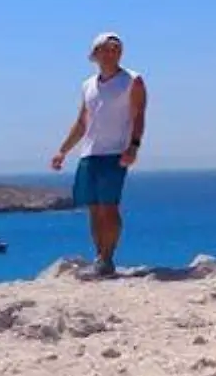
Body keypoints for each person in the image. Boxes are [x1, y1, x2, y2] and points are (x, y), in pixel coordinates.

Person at [50, 32, 147, 277]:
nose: (112, 52)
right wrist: (63, 150)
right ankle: (100, 257)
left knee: (109, 207)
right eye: (106, 48)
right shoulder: (88, 85)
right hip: (90, 154)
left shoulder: (133, 81)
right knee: (93, 208)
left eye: (117, 48)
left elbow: (139, 115)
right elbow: (83, 122)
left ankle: (107, 257)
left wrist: (134, 145)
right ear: (95, 54)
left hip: (115, 152)